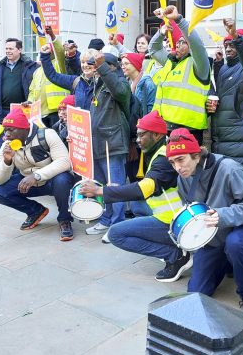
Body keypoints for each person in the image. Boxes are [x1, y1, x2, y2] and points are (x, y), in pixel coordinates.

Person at [166, 128, 243, 326]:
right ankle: (228, 262)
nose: (177, 167)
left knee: (235, 244)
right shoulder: (183, 179)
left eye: (181, 159)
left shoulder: (229, 168)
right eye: (172, 162)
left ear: (196, 155)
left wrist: (224, 215)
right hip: (212, 234)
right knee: (196, 293)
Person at [78, 111, 190, 282]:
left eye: (141, 135)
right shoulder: (160, 150)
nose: (137, 140)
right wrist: (116, 189)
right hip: (170, 216)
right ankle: (173, 246)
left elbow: (144, 189)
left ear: (157, 134)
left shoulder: (163, 159)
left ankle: (175, 255)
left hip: (173, 222)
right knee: (136, 208)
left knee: (116, 234)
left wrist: (101, 191)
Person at [41, 43, 132, 240]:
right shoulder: (87, 83)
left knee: (114, 185)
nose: (91, 67)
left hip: (112, 144)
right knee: (99, 184)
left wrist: (102, 68)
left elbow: (118, 90)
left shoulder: (119, 83)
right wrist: (46, 57)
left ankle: (117, 225)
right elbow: (57, 77)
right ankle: (106, 219)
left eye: (96, 64)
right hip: (93, 143)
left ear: (109, 67)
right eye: (89, 64)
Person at [0, 107, 75, 241]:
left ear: (24, 129)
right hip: (27, 181)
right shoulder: (8, 144)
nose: (7, 134)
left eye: (11, 130)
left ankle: (64, 220)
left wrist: (37, 176)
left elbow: (64, 162)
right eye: (5, 130)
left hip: (51, 180)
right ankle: (35, 211)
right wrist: (7, 161)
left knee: (62, 180)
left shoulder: (47, 135)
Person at [209, 19, 243, 174]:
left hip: (242, 140)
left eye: (232, 45)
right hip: (223, 139)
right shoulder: (225, 68)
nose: (228, 48)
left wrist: (235, 36)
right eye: (226, 45)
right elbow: (225, 94)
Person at [148, 6, 211, 142]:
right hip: (164, 128)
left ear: (190, 47)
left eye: (183, 42)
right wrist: (161, 32)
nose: (178, 45)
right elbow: (153, 49)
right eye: (178, 42)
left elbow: (197, 45)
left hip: (188, 130)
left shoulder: (199, 65)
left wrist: (178, 20)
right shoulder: (170, 61)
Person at [121, 52, 157, 183]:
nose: (123, 66)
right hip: (132, 135)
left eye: (126, 63)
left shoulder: (148, 84)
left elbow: (151, 110)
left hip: (142, 134)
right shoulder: (127, 83)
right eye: (122, 64)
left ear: (136, 65)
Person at [0, 38, 38, 119]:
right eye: (6, 49)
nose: (8, 51)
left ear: (19, 50)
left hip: (23, 109)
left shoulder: (29, 66)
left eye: (11, 49)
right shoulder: (0, 67)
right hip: (2, 111)